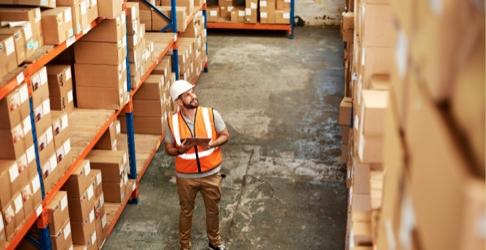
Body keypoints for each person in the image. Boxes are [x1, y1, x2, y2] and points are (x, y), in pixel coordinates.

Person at [164, 80, 230, 250]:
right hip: (186, 177)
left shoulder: (210, 114)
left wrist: (213, 144)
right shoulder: (172, 122)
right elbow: (168, 149)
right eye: (187, 94)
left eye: (192, 92)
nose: (193, 96)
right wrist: (179, 150)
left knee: (213, 210)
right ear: (179, 101)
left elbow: (225, 135)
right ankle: (184, 246)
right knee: (186, 211)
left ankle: (214, 241)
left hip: (211, 174)